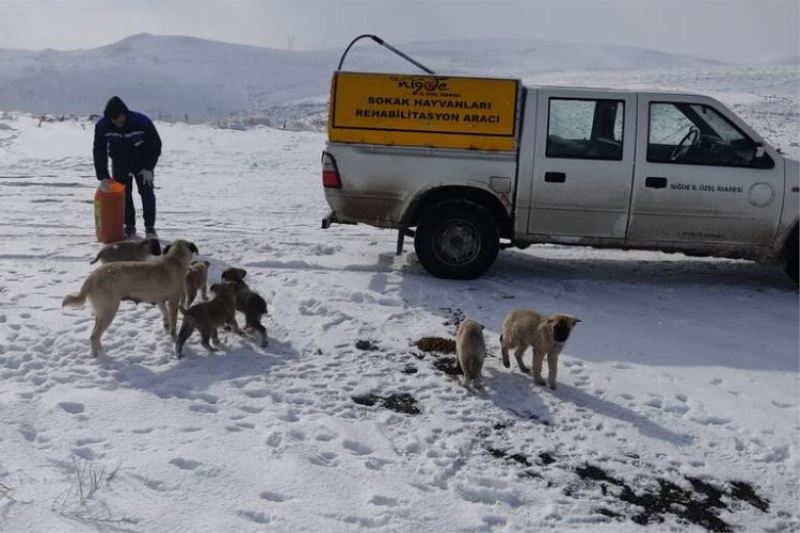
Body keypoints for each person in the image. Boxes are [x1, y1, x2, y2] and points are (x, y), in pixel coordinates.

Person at [93, 96, 162, 239]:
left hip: (142, 163)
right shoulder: (102, 126)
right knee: (123, 195)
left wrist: (148, 167)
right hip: (120, 163)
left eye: (120, 118)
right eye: (114, 120)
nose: (118, 122)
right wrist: (103, 176)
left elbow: (155, 146)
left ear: (125, 114)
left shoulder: (141, 122)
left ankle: (150, 228)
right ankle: (129, 226)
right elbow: (99, 151)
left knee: (147, 193)